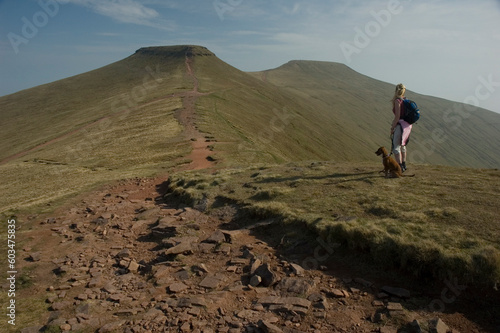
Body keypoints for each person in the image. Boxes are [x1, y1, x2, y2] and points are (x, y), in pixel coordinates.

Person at [390, 83, 412, 172]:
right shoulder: (406, 100)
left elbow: (397, 116)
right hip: (407, 125)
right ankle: (404, 164)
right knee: (403, 145)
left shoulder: (397, 101)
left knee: (396, 147)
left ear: (396, 90)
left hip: (400, 125)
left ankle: (399, 167)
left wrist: (392, 127)